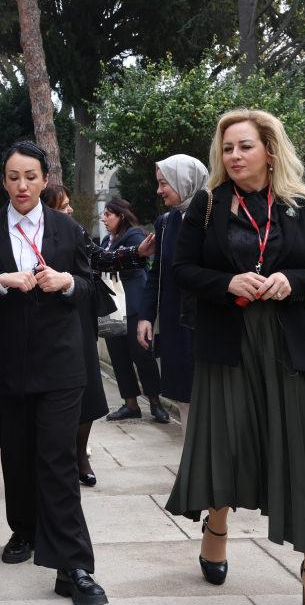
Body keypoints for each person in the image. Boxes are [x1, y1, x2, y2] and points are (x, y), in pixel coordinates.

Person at [165, 109, 305, 605]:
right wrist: (225, 282)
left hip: (289, 346)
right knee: (227, 445)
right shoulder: (206, 205)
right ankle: (217, 527)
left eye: (244, 146)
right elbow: (181, 268)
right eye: (227, 148)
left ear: (269, 150)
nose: (234, 155)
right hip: (228, 345)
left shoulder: (301, 203)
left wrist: (294, 281)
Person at [0, 142, 106, 604]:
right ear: (3, 181)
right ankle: (23, 530)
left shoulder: (67, 229)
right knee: (20, 456)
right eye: (12, 177)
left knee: (57, 460)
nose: (22, 186)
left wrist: (66, 282)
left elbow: (89, 286)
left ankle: (74, 566)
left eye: (30, 176)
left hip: (61, 366)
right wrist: (2, 283)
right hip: (7, 364)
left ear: (44, 180)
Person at [40, 184, 155, 487]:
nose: (70, 210)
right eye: (63, 205)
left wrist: (136, 252)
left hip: (79, 318)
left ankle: (81, 455)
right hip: (43, 325)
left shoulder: (75, 232)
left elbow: (102, 258)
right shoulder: (26, 235)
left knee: (89, 388)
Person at [135, 155, 210, 429]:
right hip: (175, 322)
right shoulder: (166, 222)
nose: (158, 190)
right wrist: (145, 316)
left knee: (210, 394)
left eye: (164, 183)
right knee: (183, 395)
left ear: (186, 181)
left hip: (207, 322)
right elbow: (157, 274)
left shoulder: (215, 217)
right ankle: (193, 459)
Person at [99, 199, 166, 424]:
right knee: (118, 356)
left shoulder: (135, 236)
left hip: (134, 304)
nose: (104, 219)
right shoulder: (108, 240)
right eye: (104, 214)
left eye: (109, 214)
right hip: (114, 307)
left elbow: (137, 263)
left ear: (121, 216)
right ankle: (130, 404)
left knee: (142, 354)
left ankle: (156, 403)